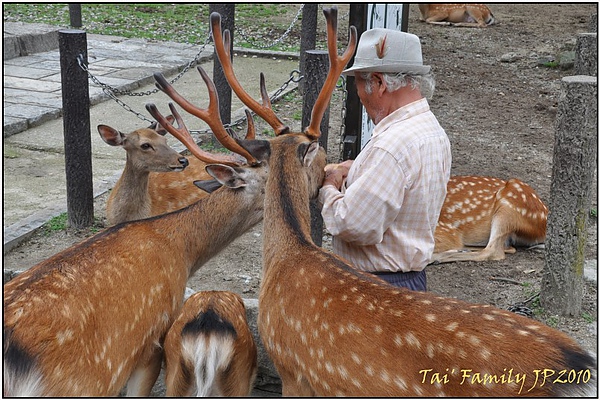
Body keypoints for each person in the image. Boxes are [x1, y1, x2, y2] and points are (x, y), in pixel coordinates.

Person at [319, 28, 451, 291]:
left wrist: (329, 187)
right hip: (411, 283)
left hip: (374, 290)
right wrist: (359, 170)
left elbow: (354, 224)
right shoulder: (432, 131)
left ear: (379, 83)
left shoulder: (391, 146)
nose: (362, 101)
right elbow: (404, 185)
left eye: (360, 88)